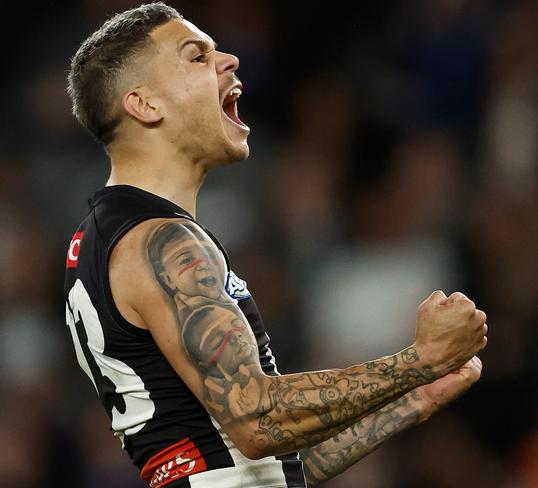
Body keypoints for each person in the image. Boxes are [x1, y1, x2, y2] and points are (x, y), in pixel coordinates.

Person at [63, 3, 488, 487]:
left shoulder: (109, 235)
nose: (229, 60)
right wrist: (418, 360)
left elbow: (271, 467)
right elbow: (259, 422)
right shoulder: (158, 240)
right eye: (196, 57)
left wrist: (417, 396)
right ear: (145, 104)